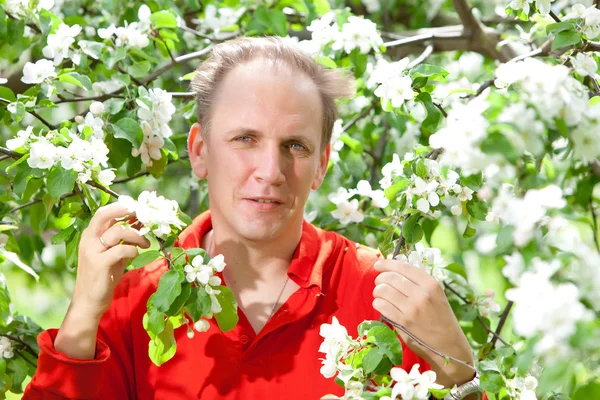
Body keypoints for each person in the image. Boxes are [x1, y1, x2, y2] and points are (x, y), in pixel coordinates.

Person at [23, 37, 479, 399]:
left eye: (295, 146)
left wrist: (458, 368)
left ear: (321, 164)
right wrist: (83, 315)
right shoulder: (133, 305)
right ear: (200, 151)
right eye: (245, 138)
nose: (271, 172)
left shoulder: (382, 298)